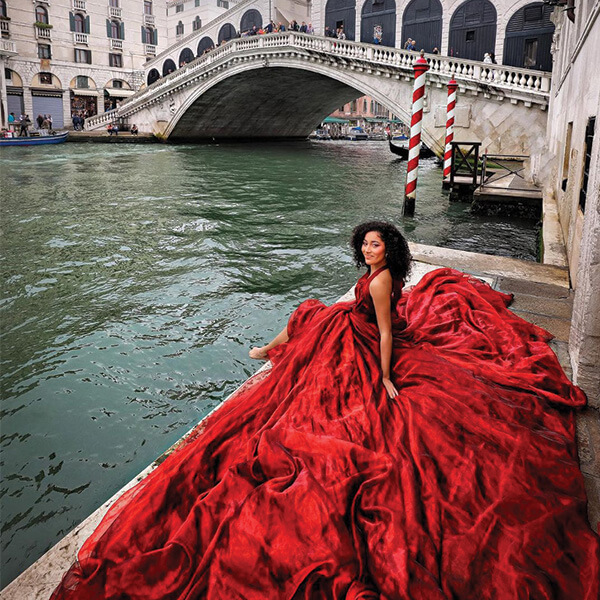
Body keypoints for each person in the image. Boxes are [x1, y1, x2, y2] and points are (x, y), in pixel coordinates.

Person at [50, 221, 599, 600]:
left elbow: (385, 329)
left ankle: (271, 350)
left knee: (313, 326)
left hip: (367, 341)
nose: (368, 251)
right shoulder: (375, 274)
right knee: (312, 311)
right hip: (353, 326)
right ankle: (272, 348)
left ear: (390, 251)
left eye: (376, 245)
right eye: (365, 245)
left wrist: (384, 376)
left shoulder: (382, 284)